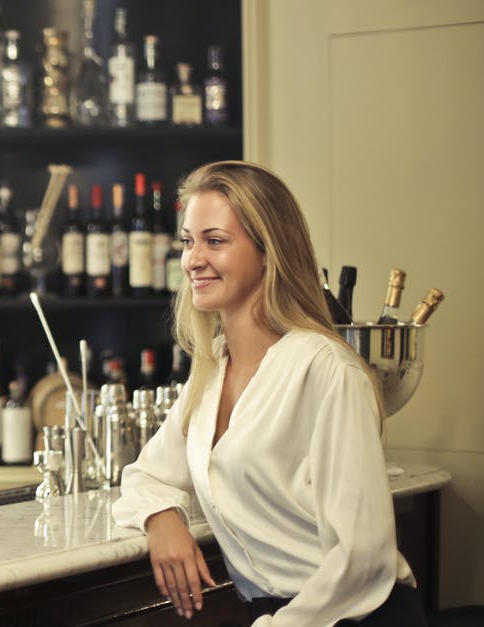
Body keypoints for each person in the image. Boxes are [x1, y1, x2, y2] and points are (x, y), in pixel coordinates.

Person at [111, 161, 426, 626]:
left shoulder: (327, 371)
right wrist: (162, 520)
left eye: (215, 241)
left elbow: (363, 558)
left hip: (351, 617)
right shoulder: (212, 370)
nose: (193, 259)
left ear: (268, 252)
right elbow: (144, 476)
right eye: (188, 240)